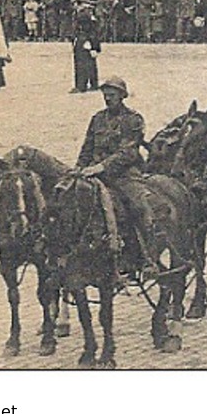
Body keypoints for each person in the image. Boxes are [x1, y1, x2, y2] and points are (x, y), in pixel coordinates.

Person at [76, 77, 154, 274]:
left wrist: (101, 167)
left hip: (126, 175)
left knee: (137, 206)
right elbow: (87, 147)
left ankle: (147, 256)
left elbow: (128, 152)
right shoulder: (98, 118)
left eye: (111, 95)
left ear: (122, 96)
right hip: (96, 174)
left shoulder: (133, 119)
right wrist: (78, 169)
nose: (107, 99)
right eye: (105, 95)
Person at [71, 10, 102, 93]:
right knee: (89, 66)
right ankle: (92, 84)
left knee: (83, 67)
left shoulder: (86, 23)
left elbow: (92, 35)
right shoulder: (89, 22)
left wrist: (93, 47)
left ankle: (82, 86)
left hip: (85, 45)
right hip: (83, 45)